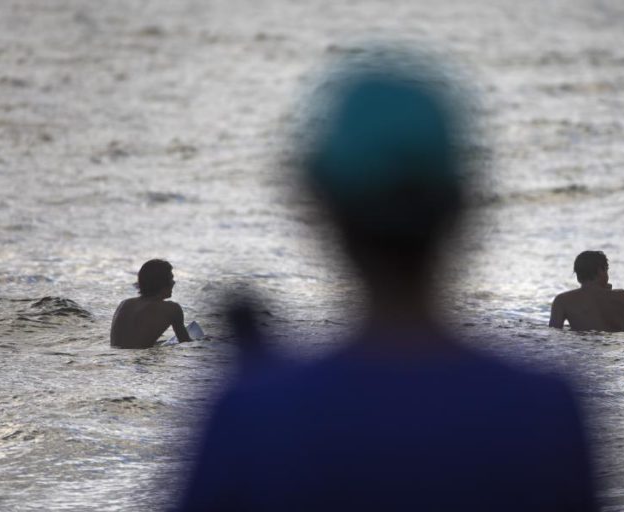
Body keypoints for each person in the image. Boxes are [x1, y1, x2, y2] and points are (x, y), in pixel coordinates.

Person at [177, 50, 599, 511]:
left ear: (322, 208)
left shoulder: (251, 413)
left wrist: (261, 391)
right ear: (462, 205)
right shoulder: (545, 411)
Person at [110, 259, 192, 348]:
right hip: (142, 359)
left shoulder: (125, 304)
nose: (173, 282)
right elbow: (186, 344)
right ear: (162, 283)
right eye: (171, 278)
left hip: (114, 358)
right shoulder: (172, 309)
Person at [550, 250, 624, 332]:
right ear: (600, 271)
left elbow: (553, 334)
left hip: (580, 343)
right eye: (606, 270)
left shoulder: (562, 301)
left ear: (578, 275)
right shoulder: (621, 296)